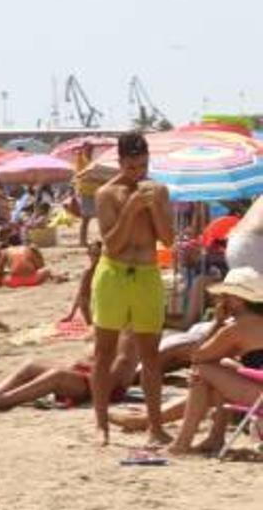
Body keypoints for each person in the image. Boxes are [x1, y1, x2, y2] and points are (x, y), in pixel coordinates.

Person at [90, 132, 175, 447]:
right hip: (114, 272)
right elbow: (112, 244)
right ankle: (101, 425)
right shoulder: (106, 194)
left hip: (146, 273)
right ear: (120, 162)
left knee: (150, 354)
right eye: (132, 166)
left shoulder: (160, 190)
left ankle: (155, 426)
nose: (139, 172)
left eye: (143, 165)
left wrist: (152, 208)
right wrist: (132, 208)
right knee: (104, 352)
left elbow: (167, 239)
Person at [169, 266, 263, 455]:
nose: (221, 301)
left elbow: (197, 356)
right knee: (221, 365)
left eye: (225, 296)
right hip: (258, 386)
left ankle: (183, 442)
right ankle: (215, 438)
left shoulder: (237, 328)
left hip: (259, 396)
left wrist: (217, 322)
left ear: (237, 299)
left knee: (203, 369)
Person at [0, 339, 138, 412]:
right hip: (86, 373)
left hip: (101, 385)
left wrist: (84, 371)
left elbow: (118, 371)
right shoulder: (112, 317)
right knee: (31, 365)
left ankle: (3, 400)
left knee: (57, 375)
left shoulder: (130, 329)